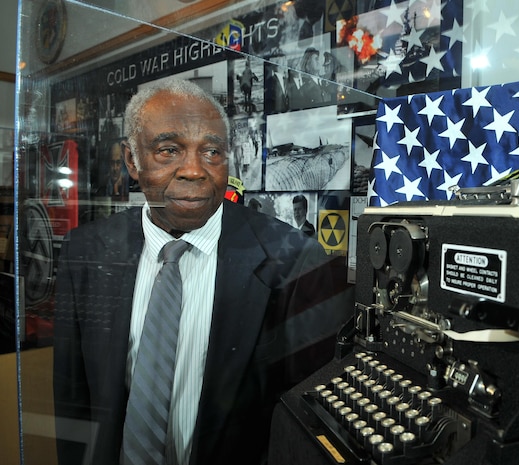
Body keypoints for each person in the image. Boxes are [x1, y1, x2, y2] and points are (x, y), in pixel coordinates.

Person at [53, 77, 351, 465]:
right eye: (169, 150)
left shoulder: (295, 261)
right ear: (131, 160)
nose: (194, 170)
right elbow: (74, 400)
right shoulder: (87, 252)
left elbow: (305, 427)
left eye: (211, 151)